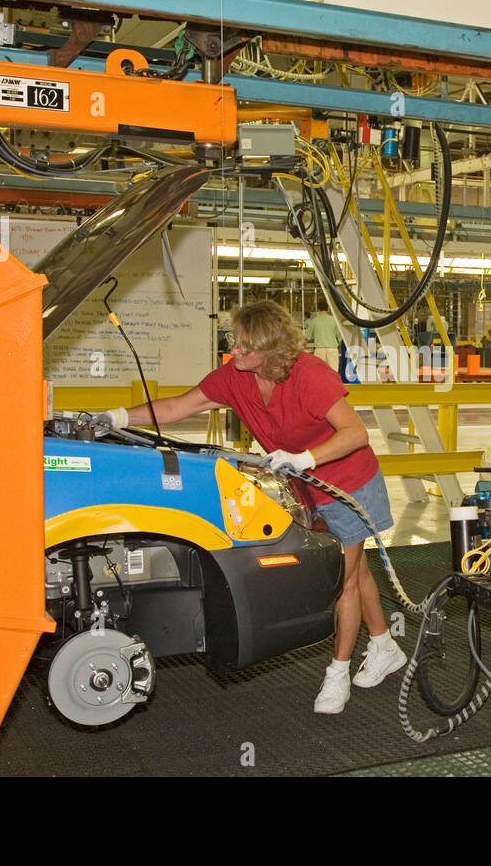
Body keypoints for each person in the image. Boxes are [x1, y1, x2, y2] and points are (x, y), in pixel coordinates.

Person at [95, 300, 403, 714]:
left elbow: (355, 433)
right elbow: (177, 407)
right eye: (234, 343)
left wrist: (305, 458)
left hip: (349, 485)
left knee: (340, 582)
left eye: (245, 347)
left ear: (272, 351)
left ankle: (338, 673)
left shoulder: (310, 374)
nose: (234, 352)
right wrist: (115, 416)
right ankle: (384, 645)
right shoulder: (235, 378)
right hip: (308, 487)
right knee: (357, 567)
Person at [304, 299, 342, 373]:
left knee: (320, 373)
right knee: (333, 373)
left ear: (318, 309)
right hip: (332, 349)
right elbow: (340, 336)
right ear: (328, 309)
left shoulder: (314, 321)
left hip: (319, 350)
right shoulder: (334, 320)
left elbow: (308, 337)